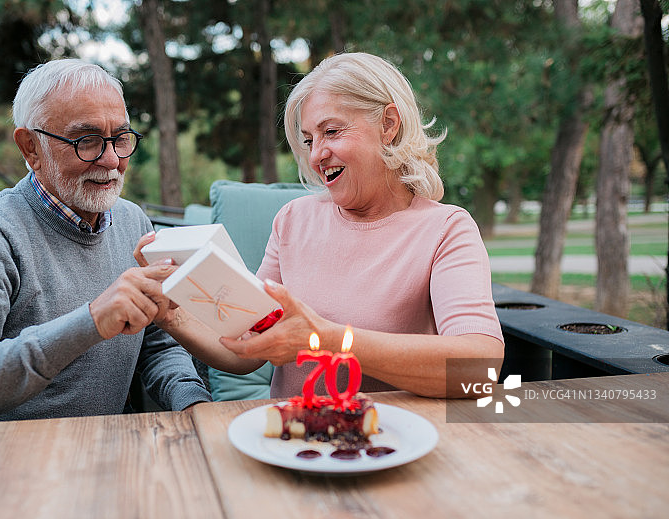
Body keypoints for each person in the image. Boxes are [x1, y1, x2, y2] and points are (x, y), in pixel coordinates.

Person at [141, 52, 504, 399]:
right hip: (292, 439)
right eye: (309, 140)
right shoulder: (292, 220)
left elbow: (479, 369)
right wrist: (174, 318)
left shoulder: (446, 229)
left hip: (391, 441)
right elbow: (246, 351)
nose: (316, 155)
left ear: (388, 125)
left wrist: (328, 340)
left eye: (332, 131)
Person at [0, 59, 231, 425]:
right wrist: (90, 321)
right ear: (31, 148)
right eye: (87, 141)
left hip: (111, 447)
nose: (111, 160)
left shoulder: (132, 221)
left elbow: (156, 346)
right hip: (10, 461)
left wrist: (192, 404)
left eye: (121, 139)